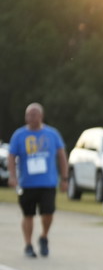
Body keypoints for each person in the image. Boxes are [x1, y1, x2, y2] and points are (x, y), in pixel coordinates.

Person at [7, 103, 68, 257]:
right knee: (28, 214)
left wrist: (64, 178)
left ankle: (44, 237)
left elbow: (61, 156)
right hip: (27, 183)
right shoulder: (19, 135)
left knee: (48, 213)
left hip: (48, 182)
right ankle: (28, 245)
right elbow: (11, 156)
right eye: (28, 115)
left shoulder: (52, 134)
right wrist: (12, 176)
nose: (30, 118)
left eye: (33, 115)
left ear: (41, 116)